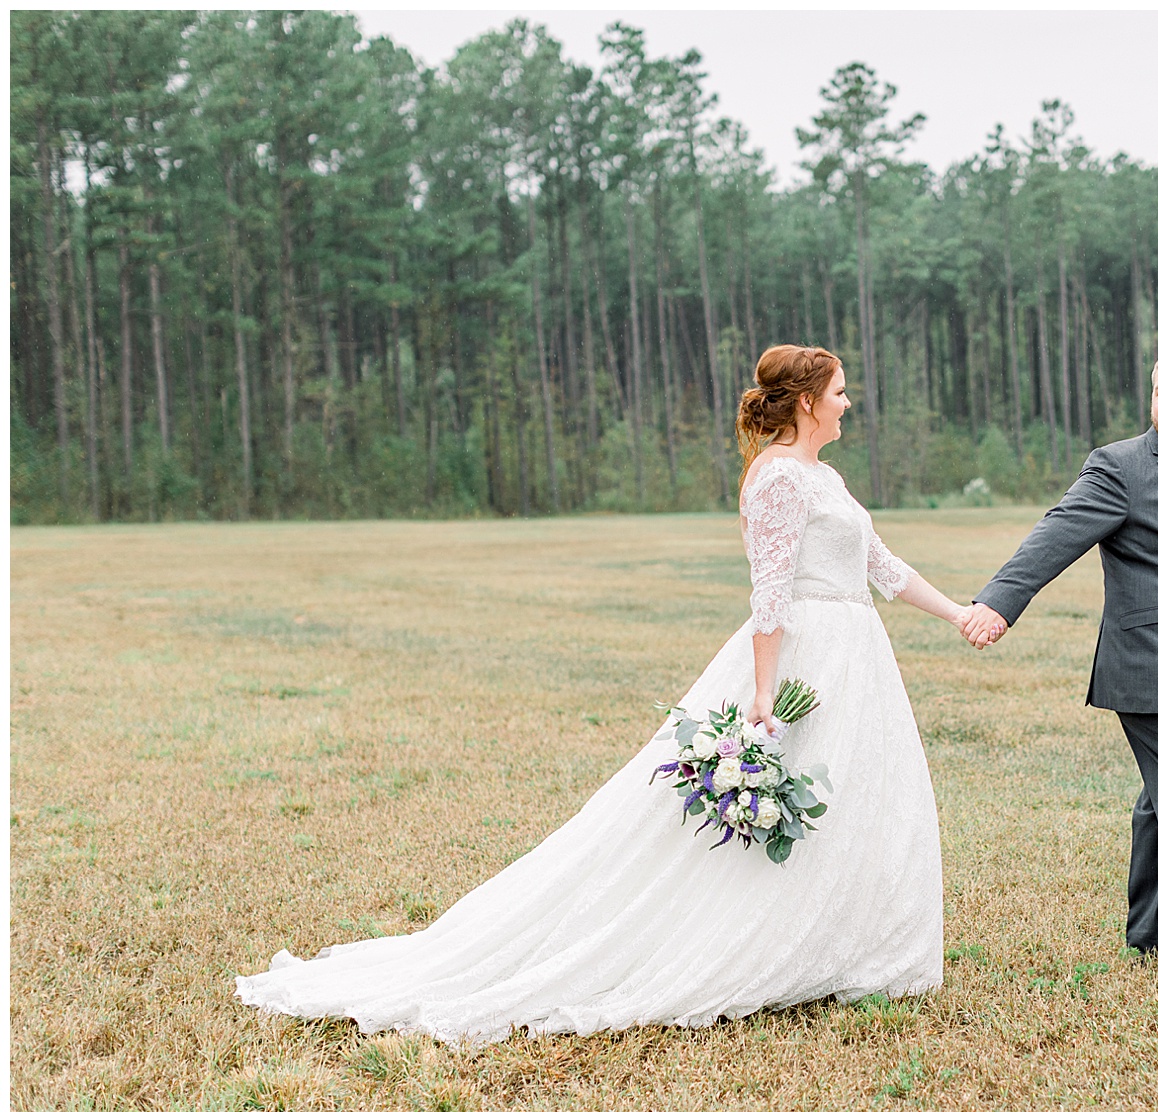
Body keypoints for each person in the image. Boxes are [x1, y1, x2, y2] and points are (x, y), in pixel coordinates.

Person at [236, 345, 973, 1044]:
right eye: (840, 392)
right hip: (803, 659)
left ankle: (843, 945)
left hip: (856, 656)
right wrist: (761, 692)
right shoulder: (778, 477)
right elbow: (770, 591)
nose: (849, 402)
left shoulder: (823, 477)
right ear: (808, 402)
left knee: (859, 800)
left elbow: (882, 566)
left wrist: (960, 615)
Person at [959, 347, 1158, 982]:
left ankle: (1155, 933)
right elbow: (1057, 532)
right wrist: (999, 602)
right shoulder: (1121, 467)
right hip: (1157, 665)